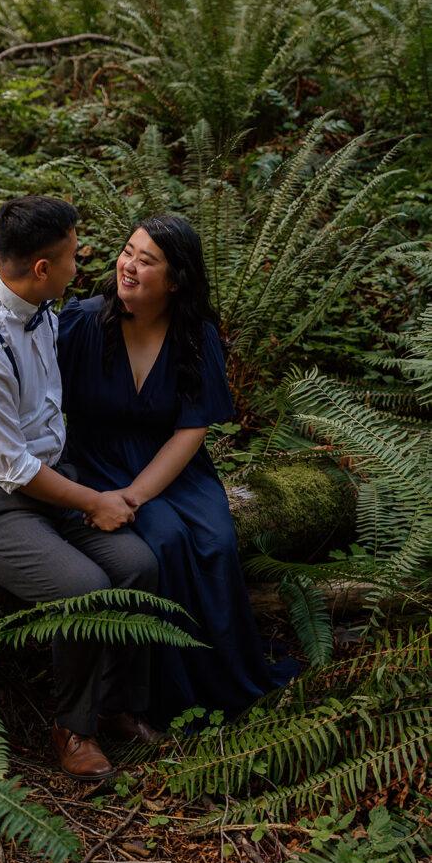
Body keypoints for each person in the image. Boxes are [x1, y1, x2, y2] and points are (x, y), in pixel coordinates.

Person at [0, 196, 161, 781]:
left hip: (47, 488)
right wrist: (96, 501)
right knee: (84, 588)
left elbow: (104, 309)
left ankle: (115, 706)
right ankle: (72, 727)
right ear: (41, 268)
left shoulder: (44, 308)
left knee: (138, 564)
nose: (81, 266)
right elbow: (10, 468)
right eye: (73, 257)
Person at [57, 214, 298, 728]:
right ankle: (163, 696)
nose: (129, 266)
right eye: (128, 252)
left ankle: (224, 679)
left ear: (176, 278)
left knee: (217, 541)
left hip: (172, 464)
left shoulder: (195, 334)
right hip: (98, 460)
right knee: (164, 542)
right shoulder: (80, 322)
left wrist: (137, 496)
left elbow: (191, 430)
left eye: (147, 261)